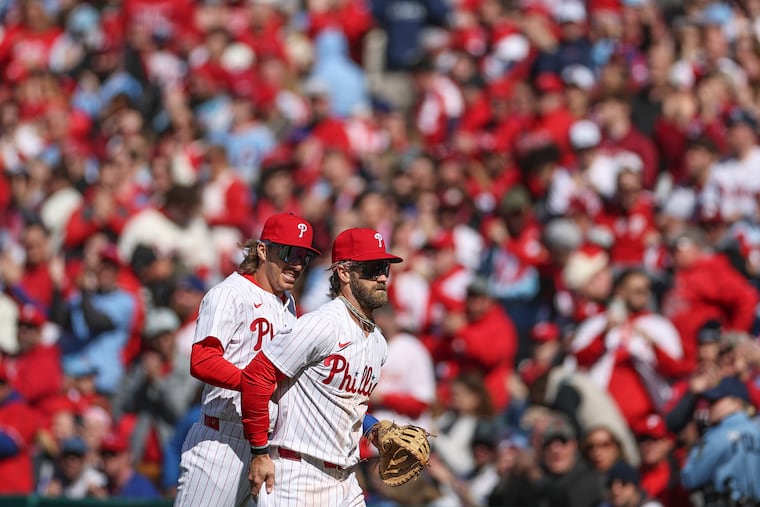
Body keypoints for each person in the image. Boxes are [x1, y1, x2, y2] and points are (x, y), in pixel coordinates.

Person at [241, 227, 404, 505]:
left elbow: (347, 403)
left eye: (385, 268)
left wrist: (374, 429)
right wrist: (259, 452)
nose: (381, 277)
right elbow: (257, 376)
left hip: (346, 479)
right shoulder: (322, 324)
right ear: (343, 272)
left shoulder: (379, 342)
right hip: (297, 474)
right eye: (372, 268)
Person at [174, 212, 320, 507]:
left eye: (304, 257)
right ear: (263, 250)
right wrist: (253, 384)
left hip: (268, 446)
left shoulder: (288, 304)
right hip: (221, 441)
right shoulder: (229, 294)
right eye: (289, 253)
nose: (296, 264)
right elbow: (202, 360)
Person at [681, 376, 760, 505]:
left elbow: (690, 478)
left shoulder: (718, 436)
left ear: (737, 403)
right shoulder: (757, 430)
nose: (710, 406)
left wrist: (694, 444)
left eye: (716, 401)